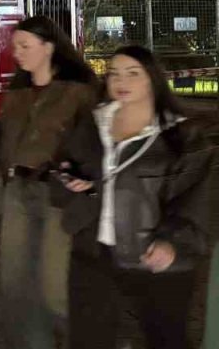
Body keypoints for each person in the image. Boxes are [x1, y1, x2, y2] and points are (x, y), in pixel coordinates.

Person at [58, 45, 213, 349]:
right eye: (113, 73)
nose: (121, 81)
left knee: (165, 338)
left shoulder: (182, 136)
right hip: (93, 252)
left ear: (153, 79)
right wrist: (73, 180)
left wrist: (173, 242)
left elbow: (196, 199)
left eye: (132, 73)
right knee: (88, 338)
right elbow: (68, 170)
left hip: (153, 255)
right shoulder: (93, 125)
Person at [0, 15, 98, 349]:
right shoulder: (18, 93)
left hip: (57, 194)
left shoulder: (79, 92)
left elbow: (95, 144)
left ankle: (91, 338)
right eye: (15, 46)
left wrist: (84, 174)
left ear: (48, 47)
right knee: (16, 281)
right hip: (17, 192)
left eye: (25, 46)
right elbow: (12, 146)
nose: (17, 53)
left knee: (54, 286)